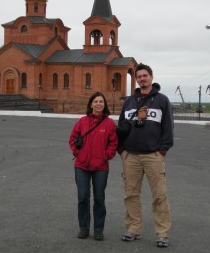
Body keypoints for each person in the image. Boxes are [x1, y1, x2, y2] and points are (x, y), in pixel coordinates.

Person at [117, 63, 174, 248]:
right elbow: (121, 128)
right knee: (131, 194)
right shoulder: (129, 101)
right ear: (136, 79)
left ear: (151, 77)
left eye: (145, 76)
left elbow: (168, 128)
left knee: (160, 194)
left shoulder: (162, 100)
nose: (142, 79)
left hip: (153, 155)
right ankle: (133, 229)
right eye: (139, 76)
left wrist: (162, 150)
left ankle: (163, 233)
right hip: (131, 155)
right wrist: (122, 150)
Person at [69, 92, 118, 241]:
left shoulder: (109, 124)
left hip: (100, 167)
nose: (98, 104)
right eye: (95, 101)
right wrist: (78, 153)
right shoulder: (82, 121)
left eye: (101, 102)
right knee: (83, 197)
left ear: (104, 105)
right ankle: (83, 228)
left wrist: (106, 156)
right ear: (91, 104)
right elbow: (72, 139)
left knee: (99, 199)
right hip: (82, 165)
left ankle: (98, 229)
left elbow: (113, 143)